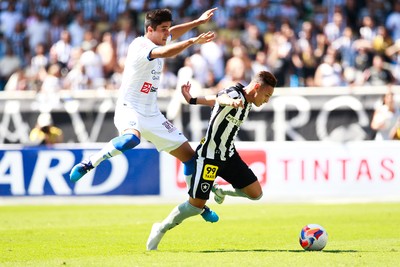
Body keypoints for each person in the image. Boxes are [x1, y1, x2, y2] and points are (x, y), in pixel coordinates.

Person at [69, 8, 219, 222]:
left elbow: (172, 34)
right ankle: (89, 163)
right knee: (131, 139)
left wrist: (197, 21)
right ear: (150, 30)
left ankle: (196, 205)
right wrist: (193, 42)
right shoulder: (140, 45)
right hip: (130, 107)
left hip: (153, 114)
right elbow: (165, 52)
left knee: (191, 159)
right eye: (163, 30)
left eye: (168, 29)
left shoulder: (160, 38)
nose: (167, 34)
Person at [146, 70, 278, 251]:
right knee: (194, 207)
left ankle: (221, 191)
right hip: (209, 157)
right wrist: (230, 102)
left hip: (229, 156)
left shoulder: (248, 102)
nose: (267, 100)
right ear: (256, 87)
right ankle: (160, 228)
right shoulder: (233, 94)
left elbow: (212, 99)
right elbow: (221, 98)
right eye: (267, 95)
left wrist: (192, 100)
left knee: (256, 194)